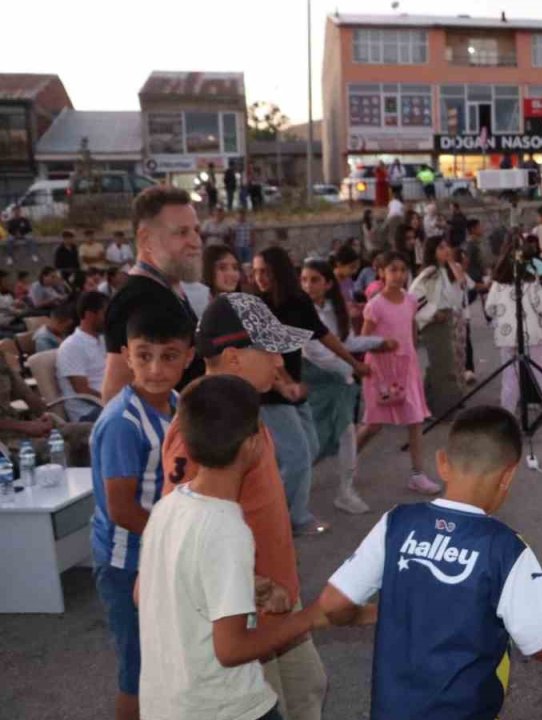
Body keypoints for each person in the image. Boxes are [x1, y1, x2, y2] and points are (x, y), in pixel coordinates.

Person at [317, 406, 542, 717]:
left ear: (442, 462)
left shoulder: (396, 523)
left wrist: (374, 614)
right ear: (508, 474)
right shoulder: (507, 549)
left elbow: (333, 604)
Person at [162, 292, 328, 720]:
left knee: (308, 689)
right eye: (270, 350)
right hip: (246, 614)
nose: (280, 362)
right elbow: (183, 533)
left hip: (277, 601)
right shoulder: (201, 429)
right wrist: (253, 585)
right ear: (234, 358)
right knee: (270, 702)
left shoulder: (244, 411)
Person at [89, 306, 193, 720]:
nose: (155, 367)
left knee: (170, 662)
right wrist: (180, 540)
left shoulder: (178, 404)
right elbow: (121, 509)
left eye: (169, 355)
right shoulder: (122, 422)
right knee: (138, 672)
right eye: (144, 354)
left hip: (162, 552)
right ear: (125, 355)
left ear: (189, 357)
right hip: (127, 562)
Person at [253, 246, 370, 534]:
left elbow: (323, 334)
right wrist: (284, 382)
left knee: (309, 448)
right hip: (270, 392)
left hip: (293, 390)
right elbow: (264, 352)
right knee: (297, 456)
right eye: (255, 272)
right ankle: (292, 518)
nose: (260, 278)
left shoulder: (296, 301)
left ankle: (272, 506)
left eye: (265, 272)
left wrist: (353, 362)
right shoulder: (257, 305)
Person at [300, 258, 392, 515]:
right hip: (315, 382)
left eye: (315, 280)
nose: (308, 285)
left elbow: (345, 342)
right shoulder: (301, 311)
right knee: (313, 442)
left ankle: (345, 490)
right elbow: (316, 351)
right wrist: (353, 369)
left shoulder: (332, 309)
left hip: (337, 382)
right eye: (305, 279)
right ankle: (288, 486)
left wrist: (377, 342)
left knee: (345, 433)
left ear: (328, 283)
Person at [101, 186, 206, 402]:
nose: (196, 242)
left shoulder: (168, 288)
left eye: (196, 230)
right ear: (146, 239)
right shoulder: (136, 299)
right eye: (181, 232)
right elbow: (115, 394)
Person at [362, 251, 435, 492]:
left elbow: (411, 328)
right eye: (393, 270)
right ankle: (348, 465)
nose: (399, 275)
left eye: (403, 270)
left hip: (406, 368)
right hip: (382, 370)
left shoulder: (410, 300)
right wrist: (383, 345)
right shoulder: (375, 306)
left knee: (415, 419)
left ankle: (417, 474)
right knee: (374, 425)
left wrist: (411, 352)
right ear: (381, 273)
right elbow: (364, 339)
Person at [486, 241, 542, 423]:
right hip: (533, 336)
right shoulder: (531, 283)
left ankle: (506, 415)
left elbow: (489, 309)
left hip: (507, 339)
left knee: (510, 379)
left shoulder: (497, 284)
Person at [410, 238, 467, 413]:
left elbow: (461, 285)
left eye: (447, 246)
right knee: (441, 365)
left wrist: (451, 262)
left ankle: (435, 403)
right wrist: (432, 313)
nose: (446, 250)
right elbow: (414, 296)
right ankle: (441, 407)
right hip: (436, 322)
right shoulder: (430, 272)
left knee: (446, 364)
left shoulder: (444, 270)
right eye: (441, 248)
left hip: (449, 317)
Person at [56, 291, 109, 422]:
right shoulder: (72, 346)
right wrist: (114, 401)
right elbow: (82, 391)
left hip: (108, 403)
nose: (109, 318)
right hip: (88, 412)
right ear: (89, 315)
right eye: (105, 313)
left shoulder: (102, 341)